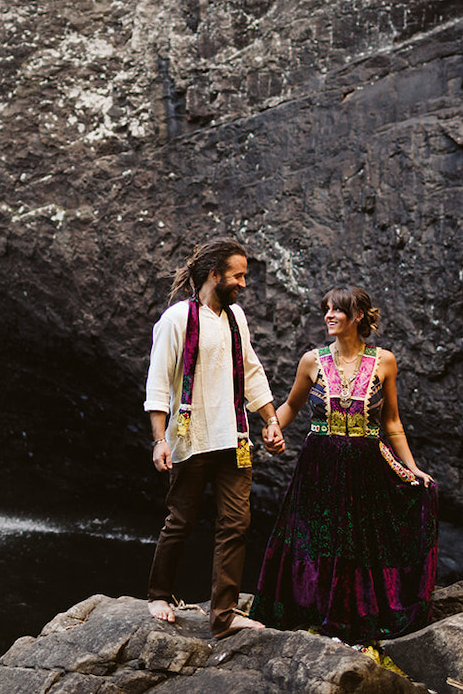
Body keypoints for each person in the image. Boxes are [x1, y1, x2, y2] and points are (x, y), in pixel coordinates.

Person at [250, 285, 438, 644]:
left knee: (361, 541)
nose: (329, 316)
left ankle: (354, 614)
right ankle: (313, 609)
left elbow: (393, 423)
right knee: (318, 538)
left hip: (366, 464)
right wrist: (273, 426)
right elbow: (291, 406)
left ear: (358, 317)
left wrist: (412, 469)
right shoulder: (312, 360)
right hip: (319, 464)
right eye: (327, 309)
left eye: (338, 310)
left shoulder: (384, 361)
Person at [144, 237, 286, 637]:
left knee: (236, 524)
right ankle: (158, 594)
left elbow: (252, 371)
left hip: (235, 438)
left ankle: (224, 614)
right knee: (181, 520)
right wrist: (160, 440)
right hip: (191, 439)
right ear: (214, 274)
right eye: (238, 275)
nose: (243, 283)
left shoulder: (235, 318)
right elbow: (158, 384)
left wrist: (270, 419)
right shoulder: (176, 320)